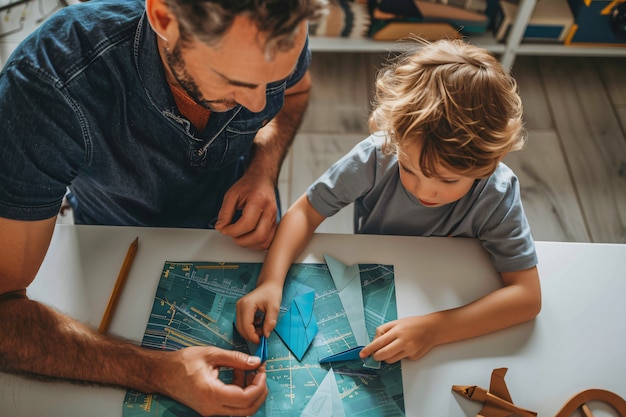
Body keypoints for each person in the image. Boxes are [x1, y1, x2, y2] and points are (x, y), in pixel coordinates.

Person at [0, 0, 327, 415]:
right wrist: (158, 372)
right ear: (164, 18)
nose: (260, 104)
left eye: (271, 80)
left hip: (243, 234)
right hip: (117, 244)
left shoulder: (275, 25)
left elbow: (296, 92)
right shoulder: (49, 83)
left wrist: (262, 168)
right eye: (236, 81)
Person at [236, 38, 542, 365]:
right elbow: (305, 212)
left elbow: (527, 297)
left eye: (448, 179)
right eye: (409, 169)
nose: (425, 191)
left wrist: (434, 330)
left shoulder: (497, 191)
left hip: (453, 302)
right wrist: (270, 281)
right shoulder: (380, 155)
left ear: (487, 163)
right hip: (377, 283)